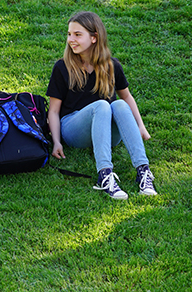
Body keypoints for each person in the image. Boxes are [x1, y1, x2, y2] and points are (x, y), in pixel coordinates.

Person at [46, 11, 157, 200]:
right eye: (69, 34)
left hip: (107, 131)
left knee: (119, 105)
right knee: (103, 105)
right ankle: (105, 175)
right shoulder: (62, 67)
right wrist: (56, 141)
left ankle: (144, 172)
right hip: (74, 129)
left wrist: (140, 126)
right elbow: (54, 111)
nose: (71, 39)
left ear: (94, 38)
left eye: (77, 35)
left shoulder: (111, 66)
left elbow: (128, 98)